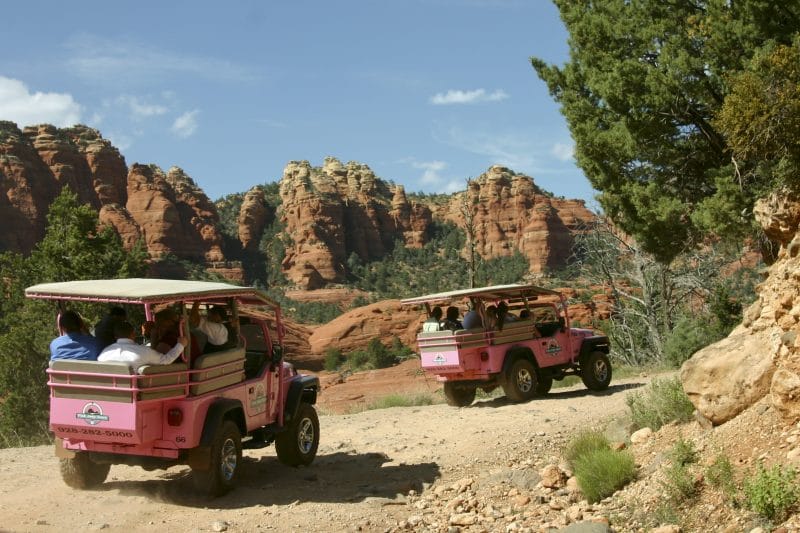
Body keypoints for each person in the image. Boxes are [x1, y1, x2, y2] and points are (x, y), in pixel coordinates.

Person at [98, 321, 188, 370]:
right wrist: (180, 345)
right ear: (133, 334)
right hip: (134, 393)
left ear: (115, 336)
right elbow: (166, 360)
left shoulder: (103, 354)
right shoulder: (144, 352)